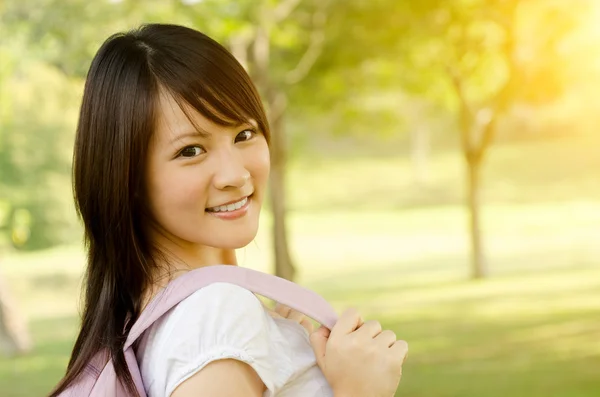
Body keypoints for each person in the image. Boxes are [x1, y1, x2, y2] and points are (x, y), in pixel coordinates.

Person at [49, 23, 408, 397]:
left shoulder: (156, 319)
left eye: (244, 134)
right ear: (128, 179)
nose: (235, 175)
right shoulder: (216, 314)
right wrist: (360, 392)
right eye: (190, 150)